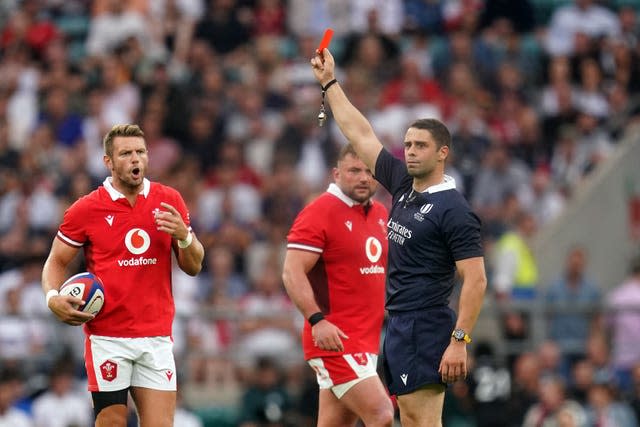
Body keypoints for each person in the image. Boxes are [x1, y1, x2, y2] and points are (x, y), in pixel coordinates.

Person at [310, 50, 487, 427]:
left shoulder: (454, 209)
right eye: (407, 145)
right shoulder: (405, 186)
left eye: (420, 146)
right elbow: (359, 133)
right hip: (399, 324)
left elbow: (476, 279)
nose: (409, 152)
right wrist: (329, 82)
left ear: (442, 153)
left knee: (422, 421)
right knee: (409, 418)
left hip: (427, 324)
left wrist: (460, 341)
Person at [41, 124, 205, 427]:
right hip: (107, 338)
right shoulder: (85, 209)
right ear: (109, 162)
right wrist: (52, 298)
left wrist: (184, 237)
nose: (135, 159)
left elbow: (194, 266)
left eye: (140, 152)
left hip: (156, 336)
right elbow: (55, 262)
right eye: (126, 153)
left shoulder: (169, 201)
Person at [282, 144, 394, 426]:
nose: (363, 178)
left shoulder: (380, 213)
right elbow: (292, 272)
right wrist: (317, 320)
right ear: (336, 173)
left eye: (369, 171)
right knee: (381, 415)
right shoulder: (319, 212)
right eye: (354, 170)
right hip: (336, 342)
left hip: (367, 340)